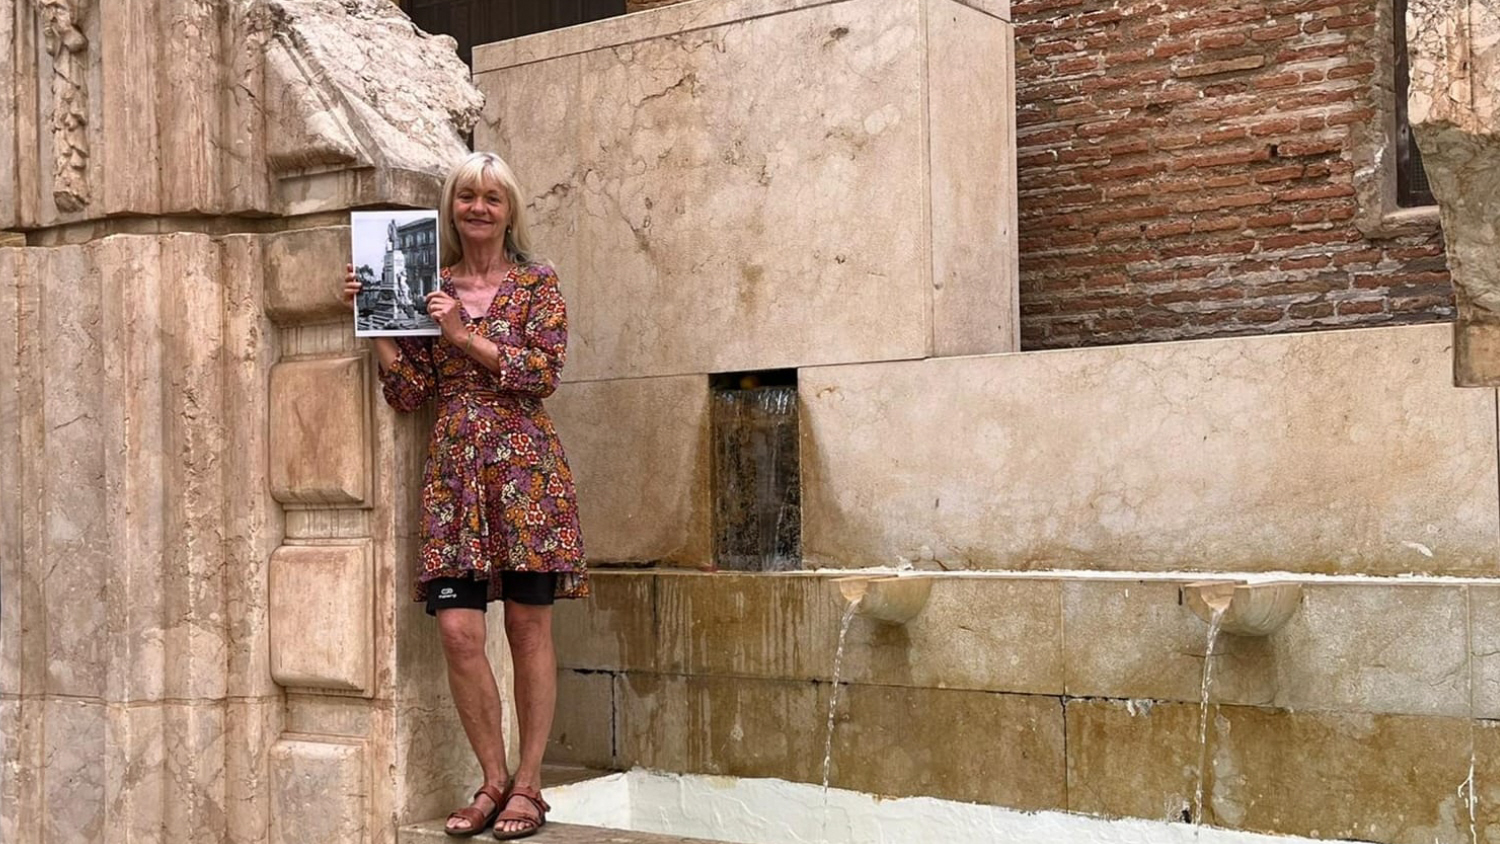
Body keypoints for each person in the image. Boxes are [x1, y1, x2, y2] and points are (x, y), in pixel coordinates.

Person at [341, 151, 588, 839]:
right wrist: (376, 324)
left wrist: (462, 336)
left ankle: (529, 786)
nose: (478, 207)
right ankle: (492, 780)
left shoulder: (538, 282)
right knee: (457, 631)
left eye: (492, 198)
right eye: (466, 196)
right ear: (452, 208)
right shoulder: (430, 283)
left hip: (526, 472)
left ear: (509, 211)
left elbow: (542, 372)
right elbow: (411, 392)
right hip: (454, 473)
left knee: (528, 626)